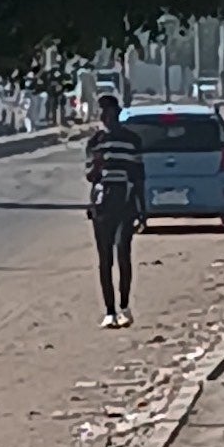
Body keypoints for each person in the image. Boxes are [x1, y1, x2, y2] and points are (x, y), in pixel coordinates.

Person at [84, 94, 146, 328]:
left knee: (123, 253)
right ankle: (109, 310)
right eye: (104, 114)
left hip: (126, 202)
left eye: (111, 113)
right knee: (105, 259)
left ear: (118, 114)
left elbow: (139, 176)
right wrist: (97, 165)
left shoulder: (132, 140)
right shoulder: (95, 142)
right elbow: (90, 175)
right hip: (102, 204)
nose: (108, 118)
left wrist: (143, 210)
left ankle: (125, 306)